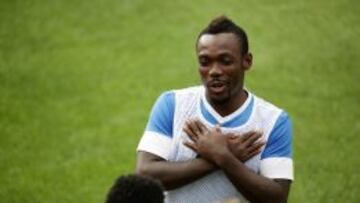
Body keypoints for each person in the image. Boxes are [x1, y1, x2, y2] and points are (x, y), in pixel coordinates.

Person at [136, 16, 293, 203]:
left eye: (225, 61)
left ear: (247, 61)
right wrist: (218, 157)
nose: (214, 71)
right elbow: (146, 174)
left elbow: (277, 198)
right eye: (205, 62)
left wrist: (224, 157)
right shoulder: (172, 104)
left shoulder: (273, 121)